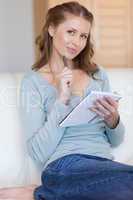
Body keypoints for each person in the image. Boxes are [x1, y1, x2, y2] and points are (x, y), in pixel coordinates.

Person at [20, 1, 133, 199]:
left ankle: (44, 194)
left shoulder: (97, 74)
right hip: (64, 165)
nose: (77, 42)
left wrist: (113, 120)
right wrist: (62, 100)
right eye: (71, 32)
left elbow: (116, 140)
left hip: (103, 164)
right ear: (52, 29)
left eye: (83, 36)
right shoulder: (33, 81)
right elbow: (38, 152)